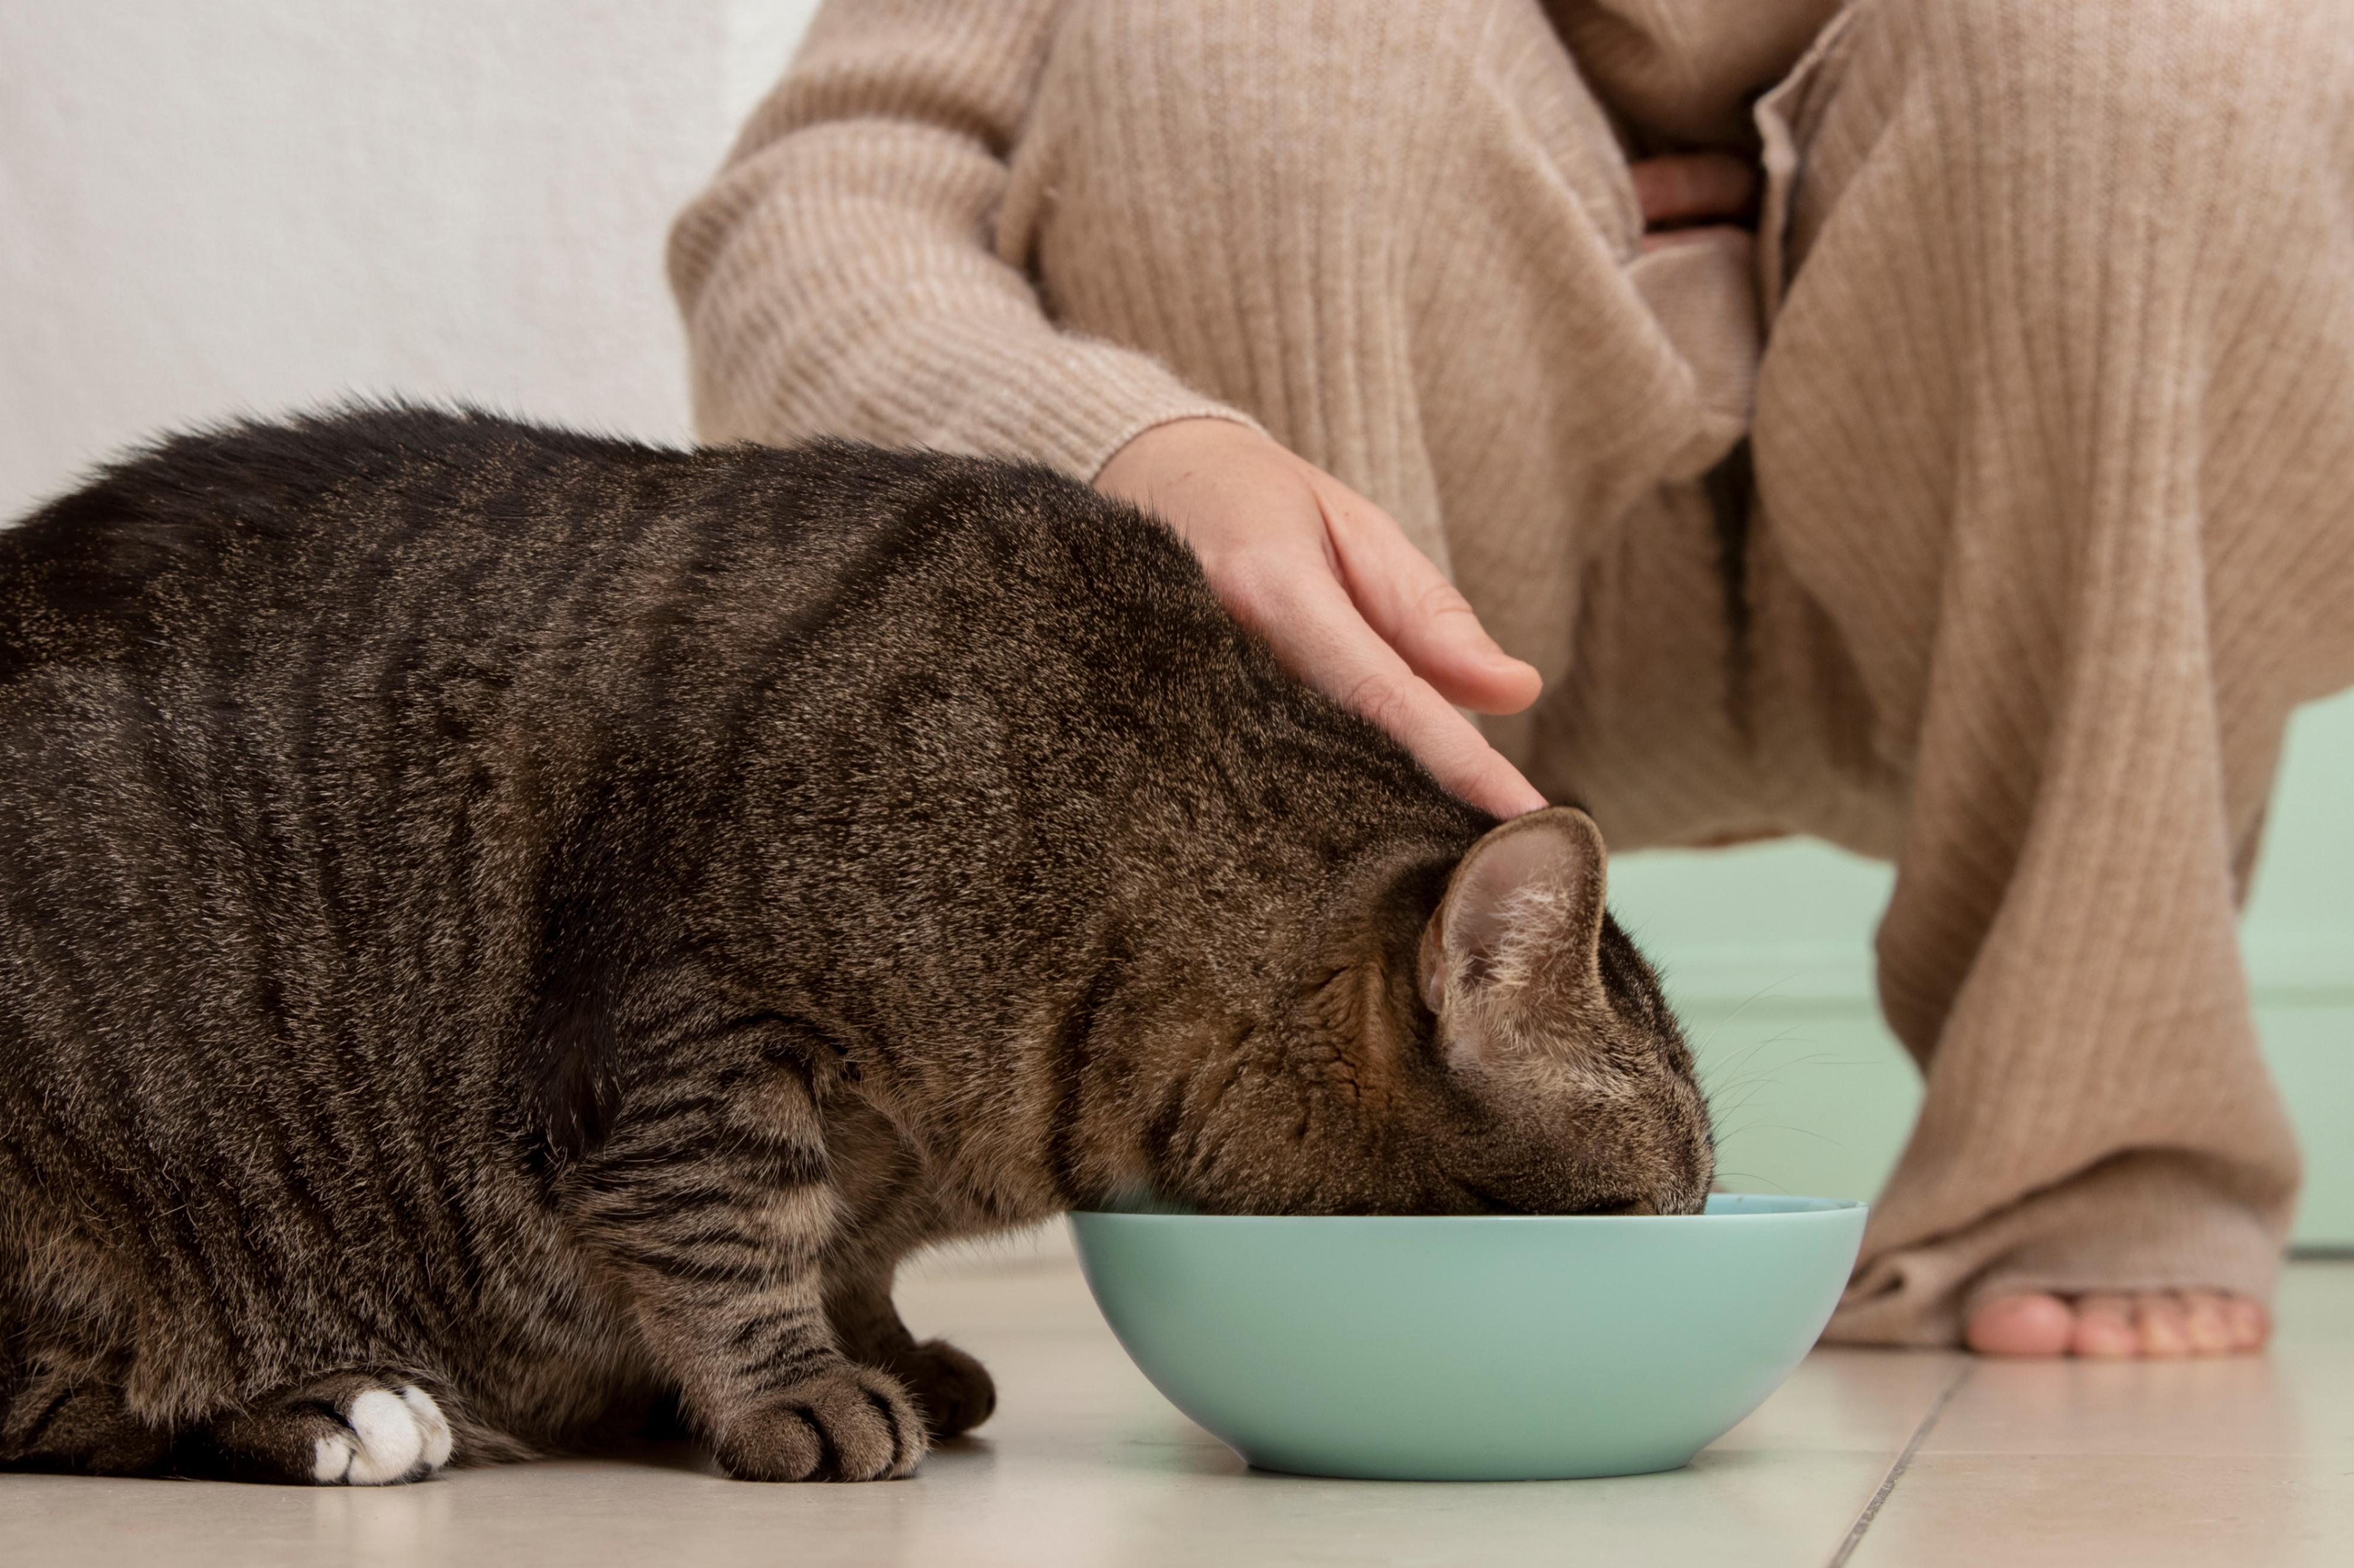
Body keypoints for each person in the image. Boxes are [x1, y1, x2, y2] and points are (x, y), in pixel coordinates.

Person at [666, 0, 2354, 1357]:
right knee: (1263, 39)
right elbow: (811, 217)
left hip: (2042, 567)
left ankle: (2090, 1138)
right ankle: (1330, 1127)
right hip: (1350, 593)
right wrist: (1131, 448)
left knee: (2163, 45)